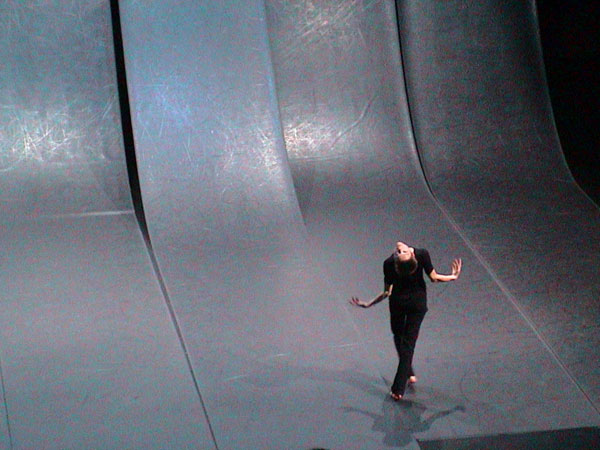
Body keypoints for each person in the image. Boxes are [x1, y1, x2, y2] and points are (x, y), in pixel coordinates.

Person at [350, 242, 461, 401]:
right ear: (412, 255)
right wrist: (452, 276)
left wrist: (368, 304)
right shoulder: (419, 255)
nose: (399, 250)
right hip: (410, 304)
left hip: (406, 305)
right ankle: (408, 370)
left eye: (400, 252)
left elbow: (387, 292)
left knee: (406, 343)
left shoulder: (390, 263)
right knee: (400, 338)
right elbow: (434, 277)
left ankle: (398, 388)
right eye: (400, 252)